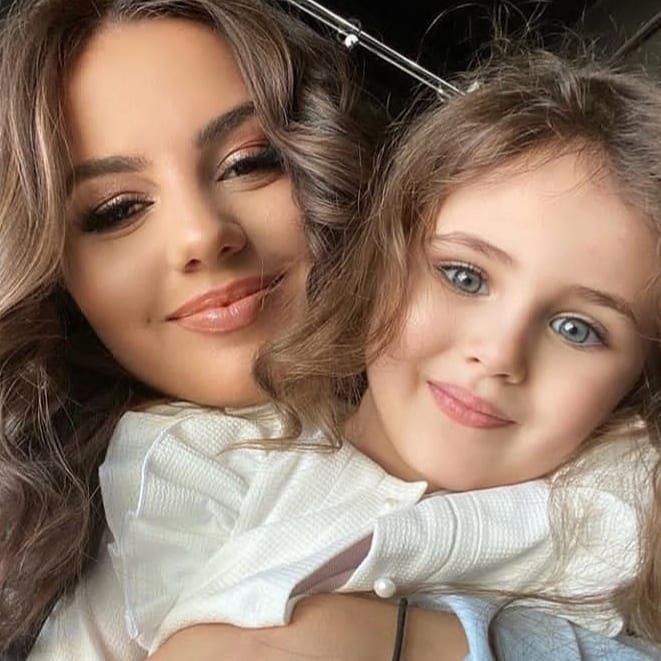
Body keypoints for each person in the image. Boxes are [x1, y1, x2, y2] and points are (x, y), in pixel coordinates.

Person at [0, 1, 654, 660]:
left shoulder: (618, 487)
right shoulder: (174, 469)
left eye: (249, 161)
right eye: (116, 209)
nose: (201, 235)